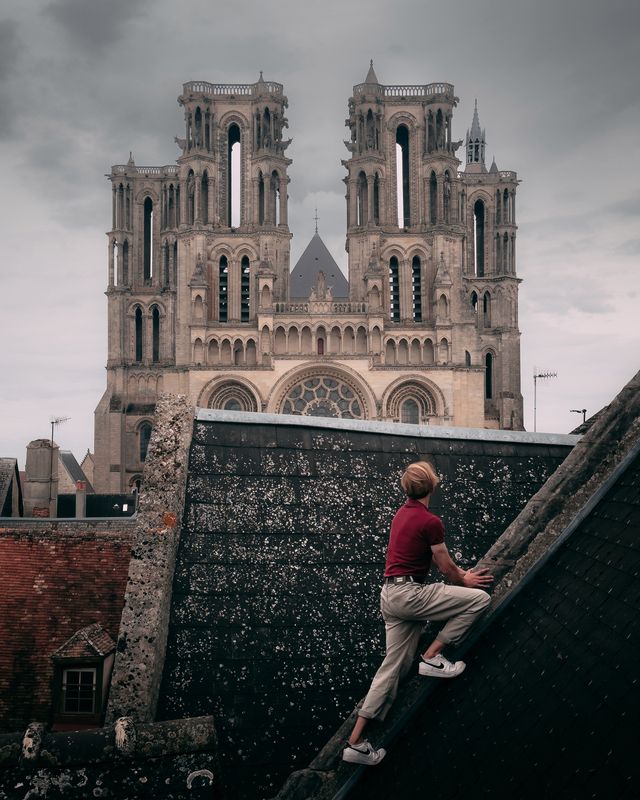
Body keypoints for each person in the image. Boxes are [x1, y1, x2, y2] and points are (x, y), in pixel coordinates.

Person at [342, 461, 493, 766]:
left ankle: (354, 743)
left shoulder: (401, 515)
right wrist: (466, 579)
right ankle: (433, 656)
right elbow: (446, 568)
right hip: (410, 595)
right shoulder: (430, 521)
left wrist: (459, 574)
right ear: (433, 486)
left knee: (392, 668)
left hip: (390, 595)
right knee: (477, 600)